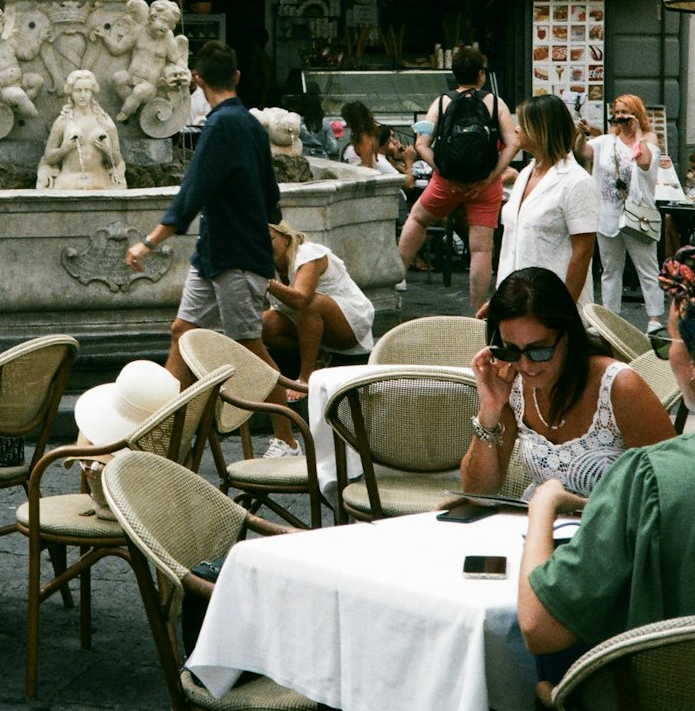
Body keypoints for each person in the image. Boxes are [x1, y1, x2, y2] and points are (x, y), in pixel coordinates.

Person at [517, 247, 695, 711]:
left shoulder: (651, 477)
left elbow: (539, 627)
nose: (667, 361)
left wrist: (545, 504)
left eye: (669, 344)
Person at [124, 40, 299, 457]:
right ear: (237, 77)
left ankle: (288, 439)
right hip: (220, 252)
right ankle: (164, 432)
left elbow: (192, 193)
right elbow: (271, 197)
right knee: (182, 332)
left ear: (197, 81)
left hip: (233, 255)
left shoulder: (219, 127)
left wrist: (148, 243)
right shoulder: (252, 125)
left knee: (250, 348)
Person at [461, 266, 673, 500]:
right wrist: (489, 411)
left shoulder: (618, 387)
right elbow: (477, 491)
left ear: (568, 336)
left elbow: (672, 490)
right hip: (536, 529)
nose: (526, 366)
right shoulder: (512, 383)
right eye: (510, 350)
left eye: (539, 351)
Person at [397, 46, 520, 317]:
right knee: (480, 249)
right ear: (481, 75)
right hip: (485, 185)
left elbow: (421, 144)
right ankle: (477, 310)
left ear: (454, 75)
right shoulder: (495, 103)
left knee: (417, 220)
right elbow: (513, 144)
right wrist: (491, 176)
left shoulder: (441, 102)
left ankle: (396, 279)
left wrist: (444, 172)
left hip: (445, 182)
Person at [496, 95, 598, 306]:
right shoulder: (526, 173)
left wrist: (565, 307)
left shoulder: (577, 182)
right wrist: (499, 299)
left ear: (541, 129)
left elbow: (583, 251)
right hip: (514, 299)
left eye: (522, 124)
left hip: (551, 301)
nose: (516, 129)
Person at [574, 93, 664, 331]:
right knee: (610, 269)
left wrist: (635, 133)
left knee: (647, 267)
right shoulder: (605, 141)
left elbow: (645, 163)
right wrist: (581, 133)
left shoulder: (648, 138)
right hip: (607, 214)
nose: (621, 117)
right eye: (617, 113)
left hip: (638, 214)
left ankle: (654, 319)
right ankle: (610, 318)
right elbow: (582, 152)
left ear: (637, 114)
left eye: (626, 112)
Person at [262, 220, 374, 384]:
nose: (264, 246)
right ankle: (320, 354)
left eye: (269, 239)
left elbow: (301, 299)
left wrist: (268, 283)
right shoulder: (268, 265)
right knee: (265, 323)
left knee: (311, 303)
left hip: (348, 325)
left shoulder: (308, 255)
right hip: (307, 325)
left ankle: (306, 377)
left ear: (286, 238)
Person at [37, 69, 126, 191]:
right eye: (78, 90)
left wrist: (107, 151)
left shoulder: (104, 121)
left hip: (100, 183)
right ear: (71, 93)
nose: (83, 95)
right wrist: (64, 149)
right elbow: (47, 158)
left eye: (87, 90)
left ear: (92, 93)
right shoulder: (63, 121)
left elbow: (118, 161)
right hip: (67, 184)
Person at [340, 100, 380, 168]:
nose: (347, 124)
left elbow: (367, 164)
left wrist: (349, 169)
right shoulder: (371, 135)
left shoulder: (364, 138)